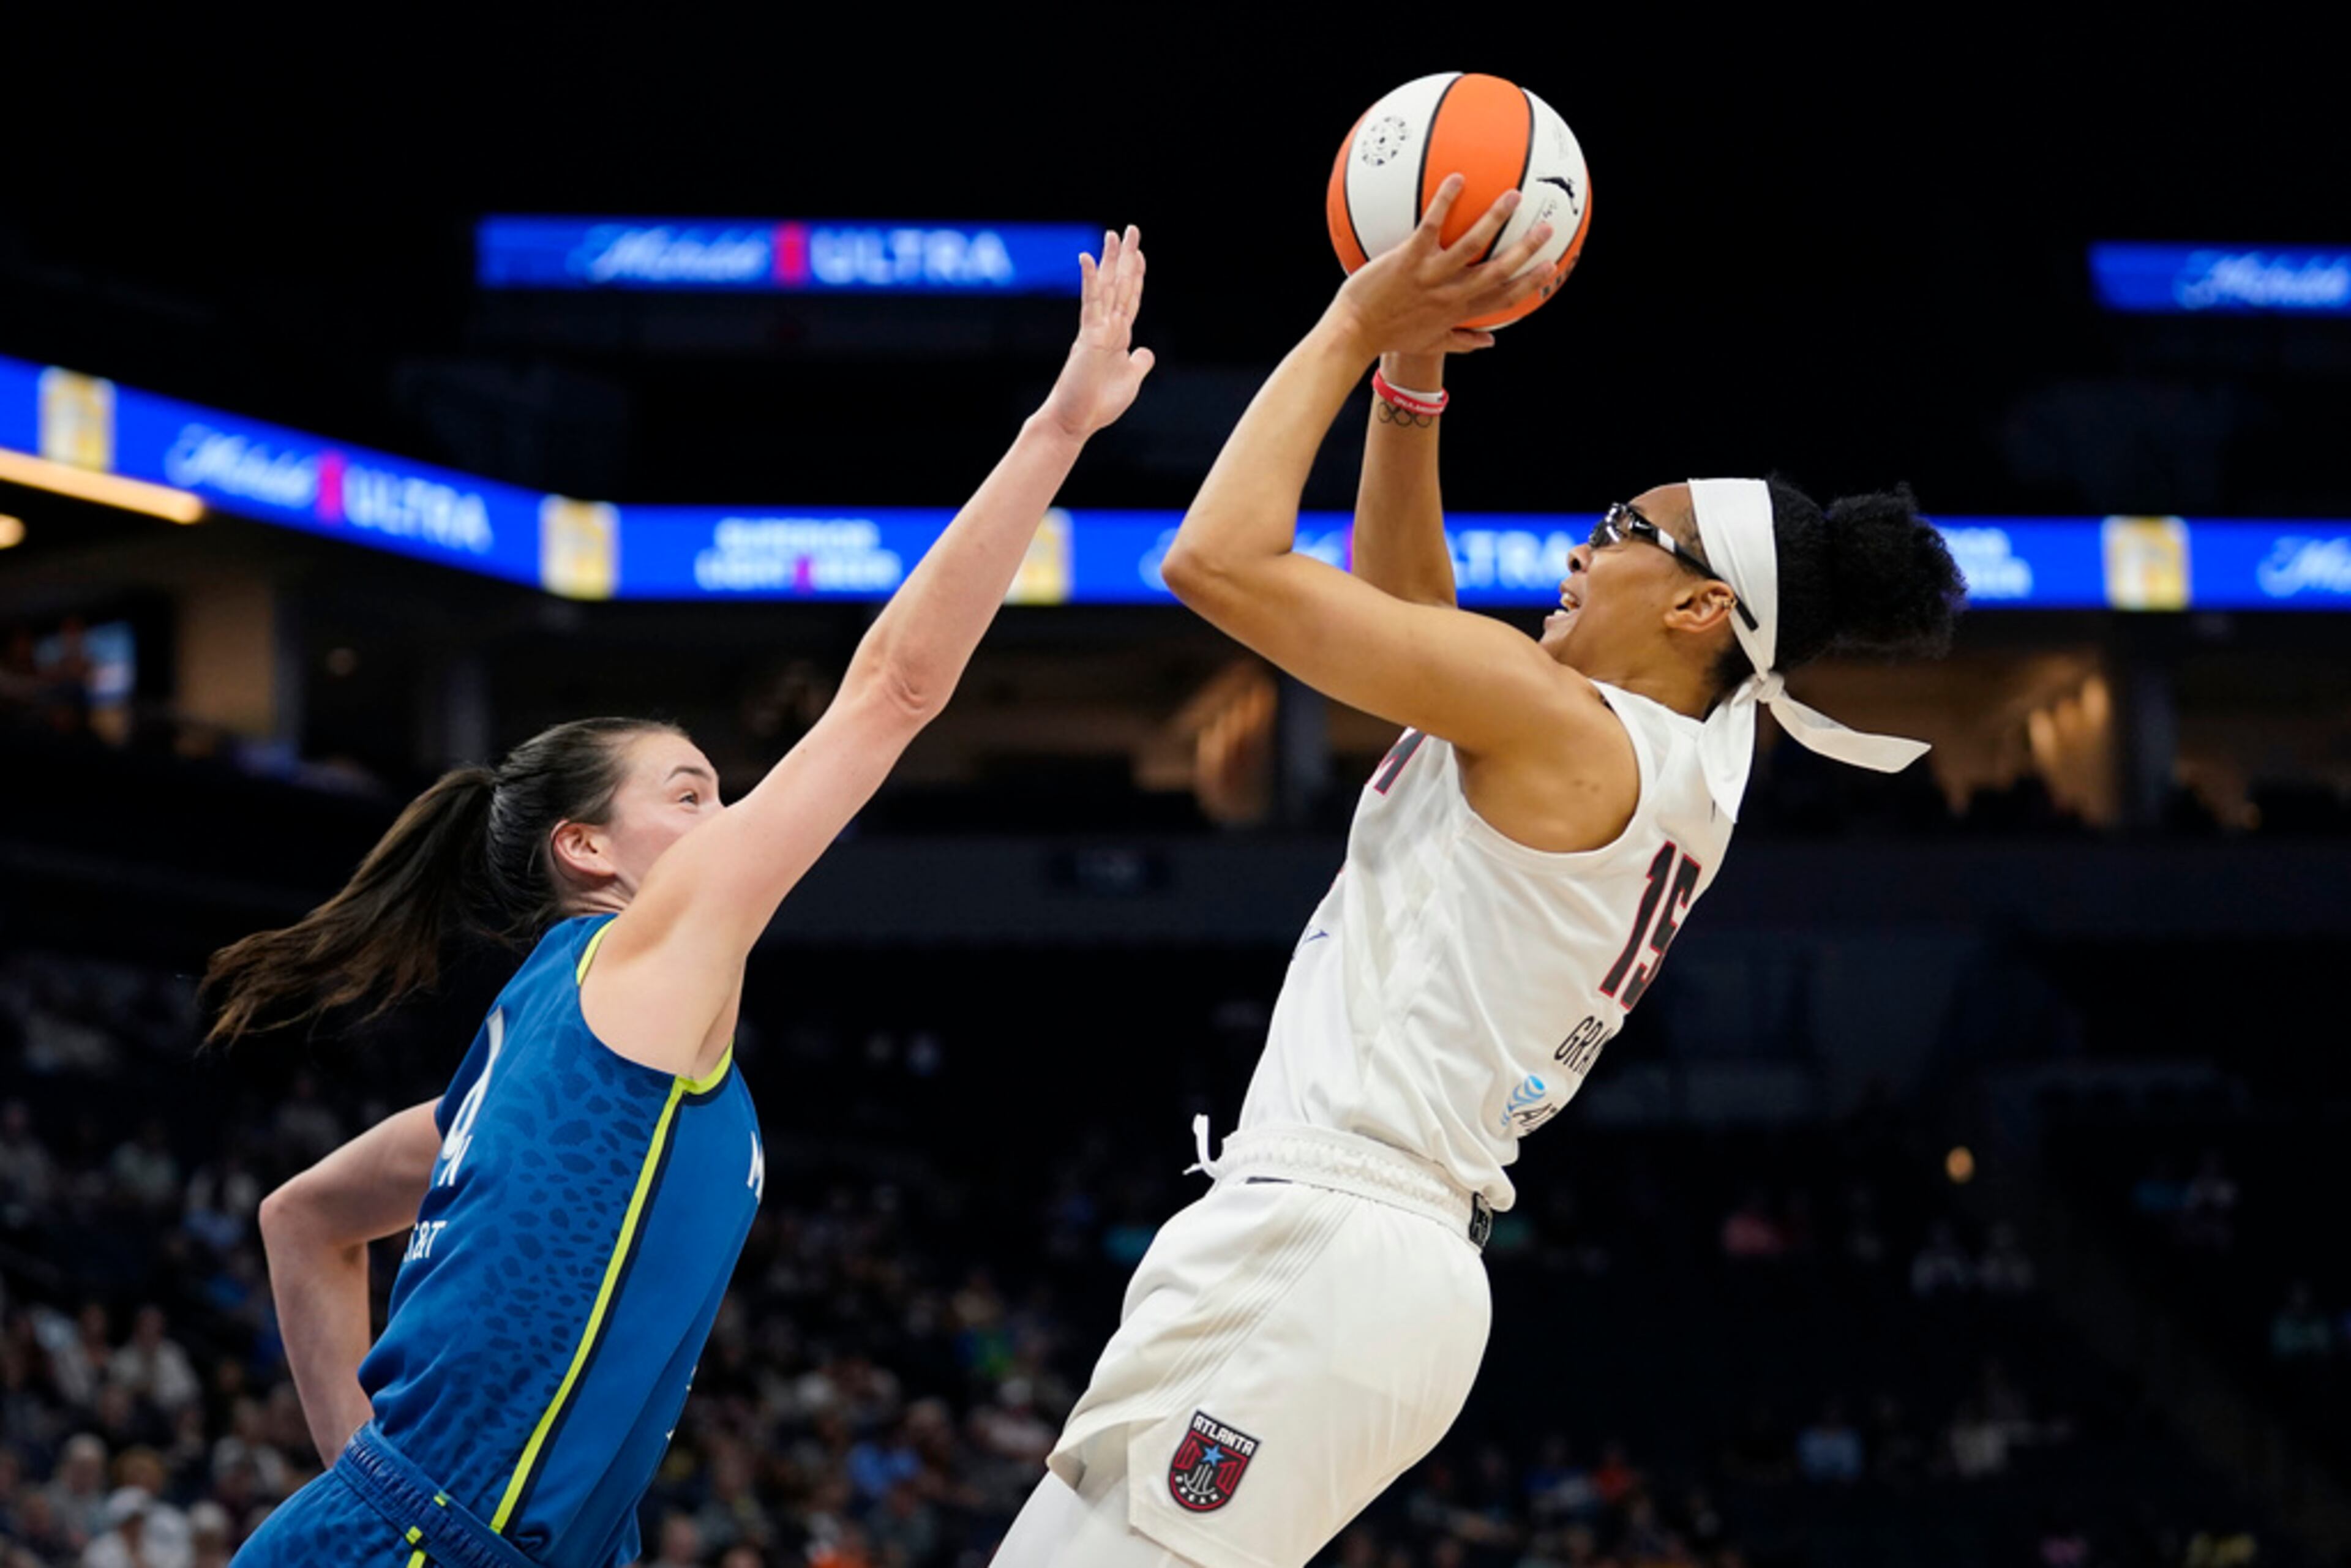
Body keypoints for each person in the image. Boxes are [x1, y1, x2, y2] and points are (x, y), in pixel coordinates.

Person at [996, 178, 1963, 1568]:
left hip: (1334, 1242)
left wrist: (1349, 319)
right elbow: (1409, 626)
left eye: (1626, 530)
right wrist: (1412, 380)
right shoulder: (1676, 741)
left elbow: (1215, 560)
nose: (1583, 547)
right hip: (1369, 1259)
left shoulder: (1564, 724)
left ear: (1699, 607)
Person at [214, 230, 1154, 1568]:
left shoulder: (515, 1080)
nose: (730, 822)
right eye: (692, 794)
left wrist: (371, 1489)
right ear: (590, 852)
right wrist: (1059, 431)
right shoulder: (637, 957)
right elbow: (893, 688)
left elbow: (301, 1219)